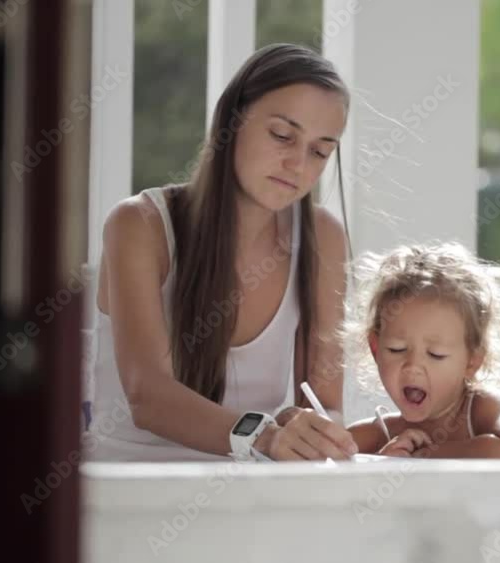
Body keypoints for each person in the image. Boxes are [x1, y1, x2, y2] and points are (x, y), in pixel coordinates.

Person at [88, 43, 358, 461]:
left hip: (246, 495)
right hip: (129, 490)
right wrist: (264, 436)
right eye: (282, 135)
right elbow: (148, 397)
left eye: (320, 151)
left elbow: (323, 402)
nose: (298, 163)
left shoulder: (323, 236)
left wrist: (309, 428)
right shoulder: (139, 225)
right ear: (231, 121)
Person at [343, 243, 500, 459]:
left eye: (435, 354)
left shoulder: (479, 408)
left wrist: (426, 455)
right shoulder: (378, 434)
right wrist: (382, 461)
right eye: (397, 349)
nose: (412, 366)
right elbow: (323, 471)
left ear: (472, 361)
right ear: (375, 350)